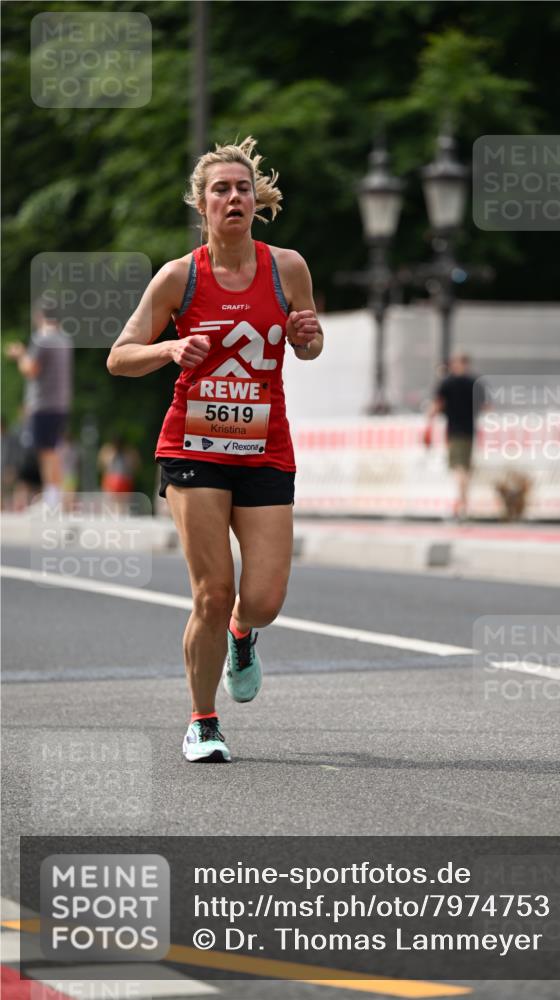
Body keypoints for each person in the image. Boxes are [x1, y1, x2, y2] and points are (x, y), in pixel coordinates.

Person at [107, 137, 323, 763]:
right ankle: (203, 720)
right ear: (201, 204)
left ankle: (243, 635)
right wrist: (170, 349)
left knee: (262, 601)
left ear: (258, 201)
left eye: (243, 188)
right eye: (221, 189)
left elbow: (305, 345)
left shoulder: (288, 268)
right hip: (194, 446)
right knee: (212, 590)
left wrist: (308, 336)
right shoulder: (180, 276)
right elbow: (120, 357)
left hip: (265, 448)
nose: (234, 197)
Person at [5, 300, 73, 508]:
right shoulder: (64, 339)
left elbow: (30, 369)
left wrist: (19, 355)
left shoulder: (42, 338)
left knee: (46, 450)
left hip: (43, 403)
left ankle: (52, 499)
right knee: (53, 448)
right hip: (61, 402)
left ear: (39, 316)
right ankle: (54, 495)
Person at [424, 354, 483, 520]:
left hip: (454, 431)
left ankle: (462, 506)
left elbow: (436, 406)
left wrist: (429, 421)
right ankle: (463, 504)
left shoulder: (447, 383)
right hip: (470, 431)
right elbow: (486, 406)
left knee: (459, 468)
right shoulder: (473, 382)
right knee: (465, 468)